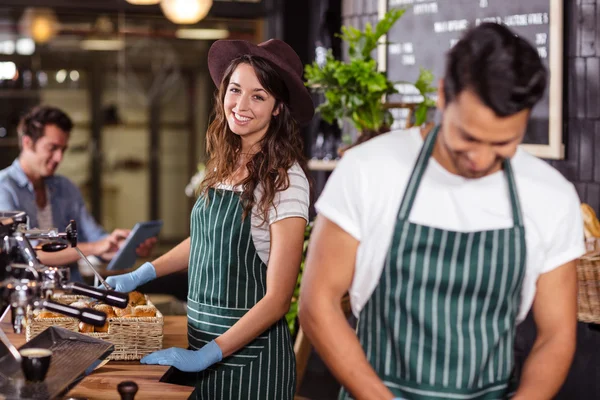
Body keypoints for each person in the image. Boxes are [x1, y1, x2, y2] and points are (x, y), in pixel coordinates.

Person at [299, 22, 584, 400]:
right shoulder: (369, 170)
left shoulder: (550, 196)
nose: (481, 159)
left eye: (503, 143)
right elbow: (318, 304)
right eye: (467, 136)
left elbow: (557, 335)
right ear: (443, 96)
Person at [106, 38, 314, 399]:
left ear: (278, 107)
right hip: (200, 339)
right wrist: (143, 274)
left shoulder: (286, 179)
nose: (241, 105)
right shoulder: (224, 165)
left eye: (258, 96)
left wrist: (209, 354)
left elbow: (279, 299)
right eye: (235, 90)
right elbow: (206, 239)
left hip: (250, 363)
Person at [0, 106, 155, 282]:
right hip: (26, 300)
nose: (59, 158)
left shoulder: (66, 187)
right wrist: (96, 247)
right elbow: (28, 251)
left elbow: (94, 237)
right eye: (52, 148)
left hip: (73, 296)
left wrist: (123, 246)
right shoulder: (4, 188)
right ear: (27, 143)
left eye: (63, 149)